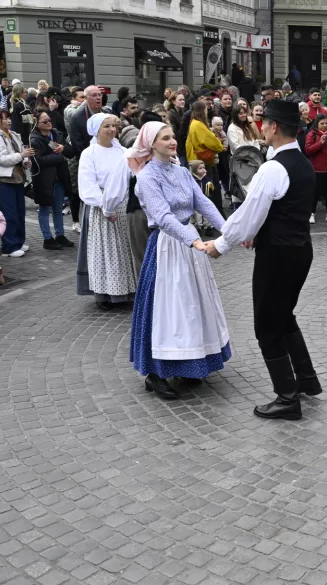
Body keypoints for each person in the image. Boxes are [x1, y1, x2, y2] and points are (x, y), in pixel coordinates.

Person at [203, 99, 321, 420]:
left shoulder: (273, 168)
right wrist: (255, 231)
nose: (261, 127)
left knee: (268, 326)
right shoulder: (303, 163)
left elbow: (249, 214)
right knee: (284, 316)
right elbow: (279, 210)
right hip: (299, 251)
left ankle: (287, 397)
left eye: (264, 123)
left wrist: (221, 244)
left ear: (274, 127)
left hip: (278, 255)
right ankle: (307, 380)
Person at [126, 122, 230, 399]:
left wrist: (231, 230)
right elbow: (162, 217)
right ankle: (155, 372)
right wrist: (193, 240)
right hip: (167, 246)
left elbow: (203, 203)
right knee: (167, 308)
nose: (172, 142)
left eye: (173, 137)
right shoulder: (147, 177)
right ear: (151, 144)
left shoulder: (182, 171)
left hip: (189, 244)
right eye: (165, 138)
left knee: (193, 304)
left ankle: (189, 364)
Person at [77, 112, 135, 309]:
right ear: (96, 130)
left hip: (123, 204)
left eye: (113, 126)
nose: (112, 130)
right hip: (102, 205)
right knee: (107, 251)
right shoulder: (89, 153)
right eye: (106, 126)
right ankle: (106, 293)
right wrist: (104, 206)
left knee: (124, 250)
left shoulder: (122, 151)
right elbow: (87, 184)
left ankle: (127, 289)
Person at [0, 108, 34, 257]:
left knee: (20, 212)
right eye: (4, 118)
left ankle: (18, 242)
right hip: (5, 179)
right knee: (9, 214)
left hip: (18, 178)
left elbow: (21, 154)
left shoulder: (13, 134)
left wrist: (26, 160)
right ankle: (9, 246)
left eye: (9, 118)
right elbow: (1, 159)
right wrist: (22, 155)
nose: (8, 121)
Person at [29, 110, 77, 250]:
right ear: (37, 124)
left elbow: (71, 152)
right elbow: (38, 160)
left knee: (58, 208)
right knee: (45, 208)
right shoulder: (34, 139)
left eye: (49, 120)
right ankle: (47, 238)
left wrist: (63, 148)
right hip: (44, 179)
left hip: (60, 177)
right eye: (44, 121)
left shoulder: (56, 134)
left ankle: (60, 235)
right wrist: (61, 157)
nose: (48, 123)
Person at [304, 115, 327, 223]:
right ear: (317, 124)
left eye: (326, 123)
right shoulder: (312, 135)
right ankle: (312, 213)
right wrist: (319, 143)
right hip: (318, 169)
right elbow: (308, 150)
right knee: (315, 193)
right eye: (322, 123)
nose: (325, 125)